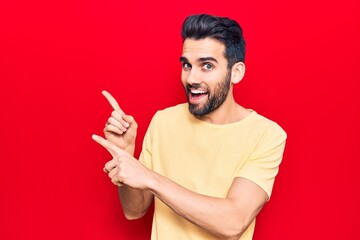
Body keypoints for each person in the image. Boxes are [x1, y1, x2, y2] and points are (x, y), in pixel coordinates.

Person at [92, 14, 287, 240]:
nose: (192, 77)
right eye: (187, 65)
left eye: (207, 66)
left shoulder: (266, 135)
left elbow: (233, 222)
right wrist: (126, 158)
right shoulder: (163, 122)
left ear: (236, 72)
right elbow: (134, 211)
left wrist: (150, 178)